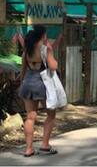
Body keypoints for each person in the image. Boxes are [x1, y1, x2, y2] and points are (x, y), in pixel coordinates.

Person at [18, 25, 59, 157]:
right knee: (51, 114)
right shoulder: (45, 49)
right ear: (43, 36)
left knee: (30, 116)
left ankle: (29, 149)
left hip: (28, 83)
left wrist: (22, 84)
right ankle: (45, 145)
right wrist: (52, 53)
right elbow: (53, 66)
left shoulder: (27, 50)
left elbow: (23, 70)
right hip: (42, 83)